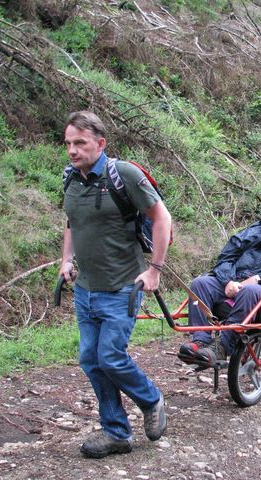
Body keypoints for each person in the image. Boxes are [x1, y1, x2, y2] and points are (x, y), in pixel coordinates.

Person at [59, 111, 172, 458]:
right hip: (86, 289)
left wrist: (154, 270)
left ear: (100, 143)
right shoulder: (70, 178)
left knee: (110, 356)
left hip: (122, 285)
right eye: (68, 144)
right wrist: (66, 260)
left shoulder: (123, 174)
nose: (73, 150)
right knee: (91, 360)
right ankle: (117, 433)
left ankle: (151, 400)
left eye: (80, 143)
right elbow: (71, 222)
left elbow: (161, 218)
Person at [179, 195, 261, 365]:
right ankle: (200, 340)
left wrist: (259, 278)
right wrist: (227, 281)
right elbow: (226, 257)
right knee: (200, 283)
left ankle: (222, 347)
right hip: (237, 283)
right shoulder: (251, 231)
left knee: (250, 290)